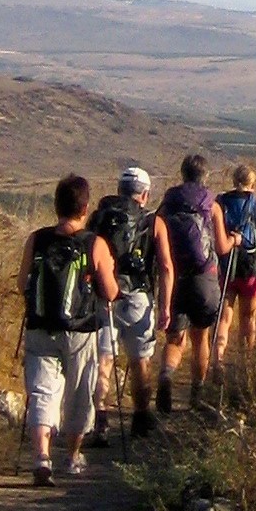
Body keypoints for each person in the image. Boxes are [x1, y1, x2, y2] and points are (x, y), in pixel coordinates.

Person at [16, 175, 118, 486]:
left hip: (40, 328)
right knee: (79, 394)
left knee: (43, 392)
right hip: (80, 330)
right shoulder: (94, 243)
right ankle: (72, 457)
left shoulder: (37, 239)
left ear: (56, 206)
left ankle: (42, 457)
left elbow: (23, 284)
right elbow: (110, 292)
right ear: (85, 208)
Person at [89, 167, 175, 435]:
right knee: (140, 360)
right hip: (139, 296)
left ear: (119, 189)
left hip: (104, 295)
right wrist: (165, 306)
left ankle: (100, 418)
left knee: (104, 359)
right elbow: (166, 266)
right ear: (145, 194)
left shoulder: (98, 217)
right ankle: (140, 417)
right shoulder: (153, 221)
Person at [157, 153, 237, 411]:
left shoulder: (168, 202)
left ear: (182, 174)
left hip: (175, 277)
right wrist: (235, 240)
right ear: (205, 176)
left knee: (174, 339)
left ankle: (167, 374)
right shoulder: (211, 204)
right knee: (201, 337)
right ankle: (196, 395)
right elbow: (222, 247)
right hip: (204, 277)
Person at [214, 165, 256, 361]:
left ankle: (218, 357)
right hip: (251, 269)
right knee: (248, 317)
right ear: (253, 184)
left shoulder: (220, 204)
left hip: (225, 267)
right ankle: (245, 360)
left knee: (224, 317)